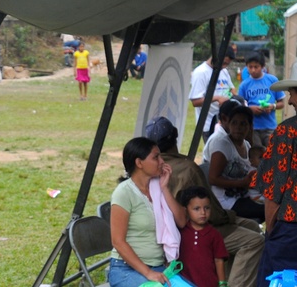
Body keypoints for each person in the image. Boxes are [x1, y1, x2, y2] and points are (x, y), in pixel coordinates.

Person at [145, 116, 264, 287]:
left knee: (251, 227)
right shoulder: (186, 168)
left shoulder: (147, 170)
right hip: (189, 230)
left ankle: (225, 280)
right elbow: (210, 212)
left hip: (175, 229)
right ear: (176, 136)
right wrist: (228, 217)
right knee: (254, 241)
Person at [108, 137, 185, 287]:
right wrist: (148, 273)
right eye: (156, 157)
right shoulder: (124, 193)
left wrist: (165, 188)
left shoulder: (157, 187)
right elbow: (118, 241)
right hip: (126, 269)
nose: (162, 161)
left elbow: (181, 220)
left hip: (157, 267)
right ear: (139, 163)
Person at [253, 66, 297, 286]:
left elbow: (273, 192)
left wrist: (271, 233)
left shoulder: (287, 132)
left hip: (290, 232)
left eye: (292, 94)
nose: (289, 101)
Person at [206, 104, 265, 222]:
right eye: (234, 123)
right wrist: (241, 183)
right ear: (228, 124)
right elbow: (213, 179)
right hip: (226, 202)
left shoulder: (247, 145)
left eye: (243, 124)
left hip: (244, 196)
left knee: (276, 203)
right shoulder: (223, 145)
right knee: (269, 209)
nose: (238, 127)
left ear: (250, 126)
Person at [177, 186, 228, 287]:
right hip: (183, 283)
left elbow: (219, 260)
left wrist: (222, 283)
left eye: (207, 208)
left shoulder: (214, 234)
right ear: (185, 210)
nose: (203, 213)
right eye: (197, 209)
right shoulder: (180, 232)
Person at [189, 47, 237, 143]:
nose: (224, 66)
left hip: (226, 122)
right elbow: (195, 101)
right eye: (223, 63)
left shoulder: (223, 71)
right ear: (215, 57)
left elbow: (232, 89)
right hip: (209, 125)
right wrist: (217, 98)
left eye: (227, 64)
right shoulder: (201, 73)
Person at [238, 52, 284, 149]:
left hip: (270, 127)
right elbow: (239, 107)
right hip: (252, 128)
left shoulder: (272, 80)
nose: (253, 70)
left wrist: (272, 106)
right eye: (250, 67)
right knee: (255, 154)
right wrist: (250, 109)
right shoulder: (244, 85)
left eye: (256, 67)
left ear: (263, 66)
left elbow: (281, 103)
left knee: (272, 152)